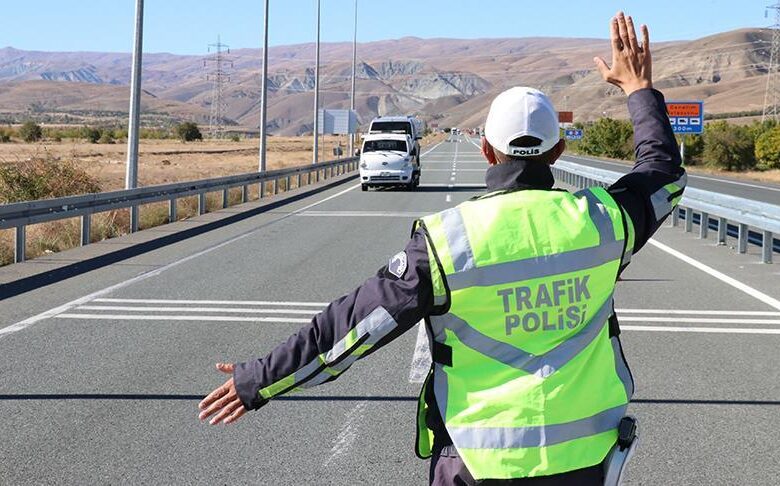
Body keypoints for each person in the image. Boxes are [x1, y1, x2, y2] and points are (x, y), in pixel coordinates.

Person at [199, 12, 686, 485]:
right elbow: (662, 171)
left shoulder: (448, 243)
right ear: (557, 153)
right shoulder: (604, 221)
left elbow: (349, 328)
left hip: (478, 463)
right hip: (588, 458)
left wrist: (258, 380)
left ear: (486, 151)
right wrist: (639, 90)